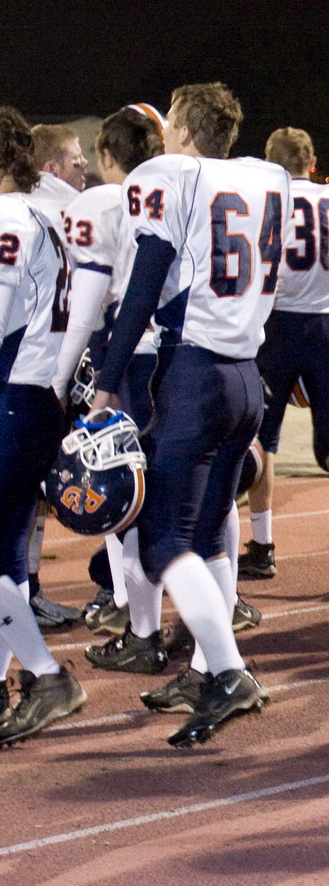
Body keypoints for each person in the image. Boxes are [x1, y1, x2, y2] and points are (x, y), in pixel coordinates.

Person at [88, 81, 291, 746]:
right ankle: (207, 668)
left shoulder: (171, 177)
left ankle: (229, 673)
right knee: (208, 533)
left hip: (196, 375)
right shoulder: (269, 178)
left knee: (162, 540)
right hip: (245, 377)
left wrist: (109, 382)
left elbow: (144, 288)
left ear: (181, 129)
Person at [55, 105, 170, 672]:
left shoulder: (96, 203)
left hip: (121, 358)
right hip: (178, 354)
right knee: (194, 490)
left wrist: (62, 377)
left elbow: (86, 306)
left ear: (105, 155)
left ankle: (135, 618)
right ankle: (218, 608)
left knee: (123, 494)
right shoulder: (177, 194)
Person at [242, 128, 329, 591]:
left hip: (277, 329)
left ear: (271, 163)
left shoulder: (267, 201)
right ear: (313, 159)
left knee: (264, 440)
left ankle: (262, 547)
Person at [0, 105, 89, 745]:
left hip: (13, 394)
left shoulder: (9, 216)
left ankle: (45, 674)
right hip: (36, 396)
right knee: (4, 551)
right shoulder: (44, 215)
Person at [22, 122, 90, 630]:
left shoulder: (52, 212)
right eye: (74, 158)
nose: (83, 164)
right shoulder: (42, 216)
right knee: (22, 492)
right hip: (29, 373)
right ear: (49, 169)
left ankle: (26, 589)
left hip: (39, 371)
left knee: (32, 493)